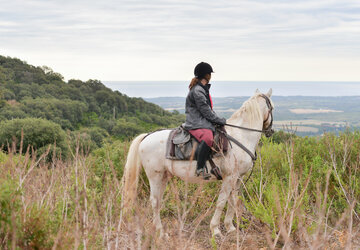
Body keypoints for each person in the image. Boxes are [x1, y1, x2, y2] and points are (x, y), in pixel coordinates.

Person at [183, 62, 227, 179]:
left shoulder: (203, 89)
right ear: (206, 75)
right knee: (208, 138)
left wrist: (218, 120)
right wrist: (218, 120)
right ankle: (200, 168)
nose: (210, 76)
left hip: (202, 121)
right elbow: (205, 111)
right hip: (196, 123)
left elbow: (209, 109)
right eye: (209, 74)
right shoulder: (198, 91)